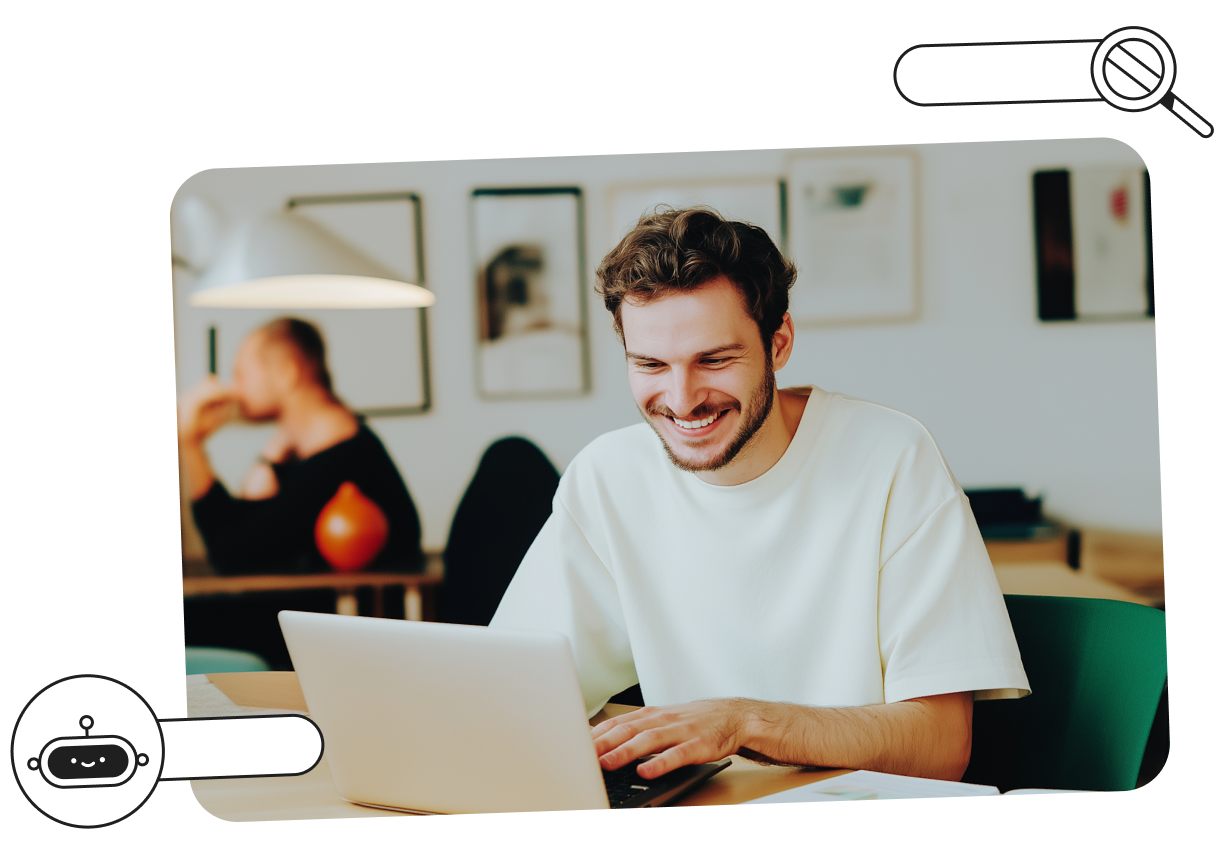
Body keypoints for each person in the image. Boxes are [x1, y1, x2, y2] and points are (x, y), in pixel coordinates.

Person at [490, 208, 1030, 782]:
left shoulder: (893, 457)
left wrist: (741, 722)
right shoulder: (607, 477)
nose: (681, 398)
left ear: (779, 344)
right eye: (650, 364)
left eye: (714, 360)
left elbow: (943, 744)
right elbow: (505, 697)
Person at [177, 317, 424, 574]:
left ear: (286, 372)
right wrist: (271, 458)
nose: (234, 389)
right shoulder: (317, 448)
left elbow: (231, 550)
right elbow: (247, 528)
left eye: (241, 375)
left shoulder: (341, 462)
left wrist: (190, 443)